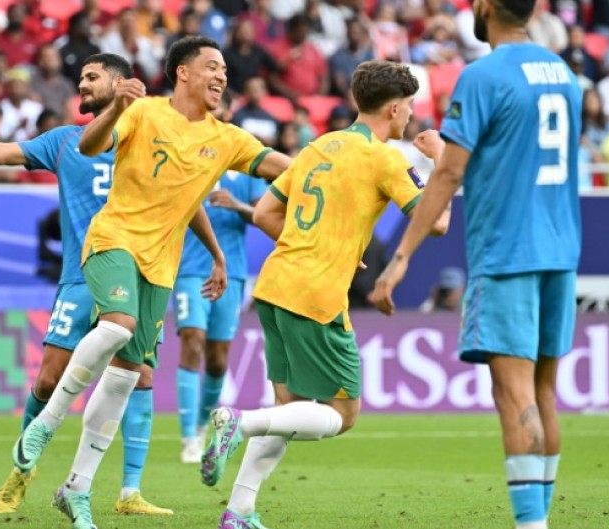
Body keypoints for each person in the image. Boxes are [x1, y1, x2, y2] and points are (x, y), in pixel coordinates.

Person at [12, 36, 291, 529]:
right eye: (212, 66)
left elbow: (285, 168)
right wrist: (118, 107)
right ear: (183, 72)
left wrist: (332, 172)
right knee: (117, 327)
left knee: (124, 377)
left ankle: (75, 489)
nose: (222, 75)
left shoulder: (228, 138)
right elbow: (88, 144)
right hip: (112, 241)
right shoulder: (144, 112)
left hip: (161, 267)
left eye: (224, 68)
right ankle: (46, 424)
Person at [0, 54, 173, 516]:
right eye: (82, 77)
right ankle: (21, 473)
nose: (82, 85)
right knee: (50, 378)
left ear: (121, 82)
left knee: (141, 377)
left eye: (92, 77)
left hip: (140, 274)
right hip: (82, 274)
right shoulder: (66, 141)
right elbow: (2, 153)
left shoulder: (152, 139)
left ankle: (129, 492)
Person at [200, 60, 449, 529]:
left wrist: (324, 246)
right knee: (343, 412)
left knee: (289, 409)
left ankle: (239, 512)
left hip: (274, 285)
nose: (412, 117)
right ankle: (239, 422)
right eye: (411, 107)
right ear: (394, 108)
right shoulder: (384, 157)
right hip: (315, 295)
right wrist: (439, 160)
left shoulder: (317, 147)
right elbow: (436, 222)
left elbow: (266, 214)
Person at [370, 0, 583, 526]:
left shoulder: (482, 74)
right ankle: (541, 519)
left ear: (487, 7)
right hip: (561, 248)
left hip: (508, 250)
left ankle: (531, 524)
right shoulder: (565, 72)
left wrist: (400, 259)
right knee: (544, 392)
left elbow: (449, 177)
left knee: (513, 392)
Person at [175, 92, 269, 464]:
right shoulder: (184, 152)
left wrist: (238, 205)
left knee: (216, 359)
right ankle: (187, 439)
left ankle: (200, 426)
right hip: (187, 268)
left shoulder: (243, 161)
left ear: (228, 111)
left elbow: (263, 214)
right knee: (192, 341)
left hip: (232, 272)